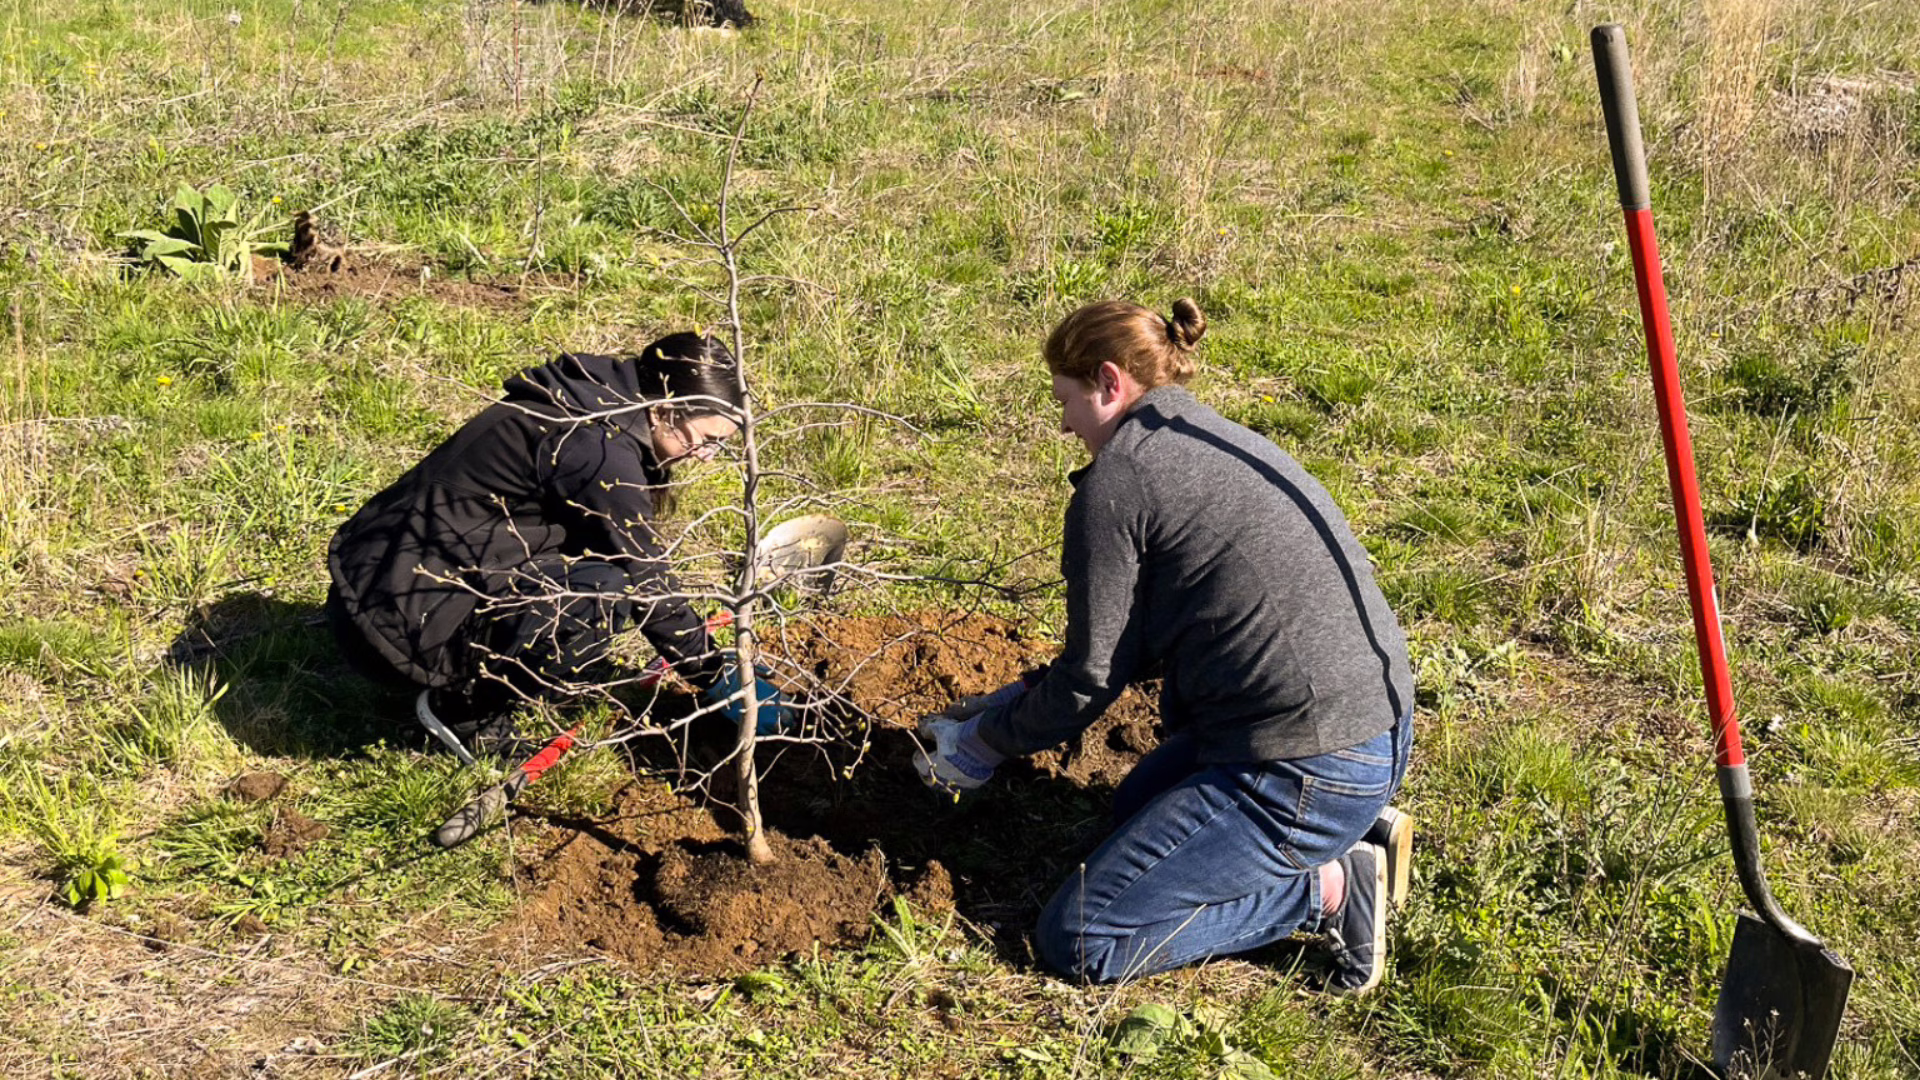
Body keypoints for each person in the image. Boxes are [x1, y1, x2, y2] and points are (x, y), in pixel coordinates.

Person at [915, 299, 1415, 992]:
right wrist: (1009, 702)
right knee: (1133, 812)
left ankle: (1330, 885)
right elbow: (1131, 644)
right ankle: (1344, 824)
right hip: (1375, 724)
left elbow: (1090, 682)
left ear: (1110, 383)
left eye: (1066, 401)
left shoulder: (1119, 483)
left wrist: (986, 744)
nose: (1062, 423)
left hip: (1309, 764)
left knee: (1083, 937)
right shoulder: (1201, 433)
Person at [326, 332, 786, 757]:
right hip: (396, 627)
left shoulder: (595, 396)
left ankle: (474, 659)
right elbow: (647, 581)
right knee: (605, 593)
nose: (706, 456)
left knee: (603, 571)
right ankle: (462, 712)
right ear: (665, 408)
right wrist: (715, 677)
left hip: (377, 579)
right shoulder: (596, 451)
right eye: (706, 439)